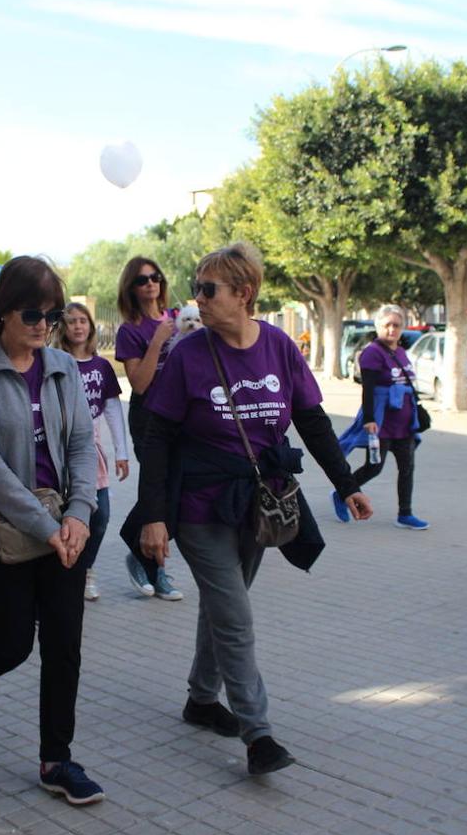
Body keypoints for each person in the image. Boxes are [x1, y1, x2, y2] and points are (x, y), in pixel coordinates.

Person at [134, 243, 374, 776]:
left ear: (243, 294)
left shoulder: (280, 347)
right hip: (199, 507)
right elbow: (157, 439)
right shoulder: (188, 355)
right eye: (196, 287)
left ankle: (201, 699)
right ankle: (258, 733)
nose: (196, 298)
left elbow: (312, 421)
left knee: (225, 606)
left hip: (259, 504)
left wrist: (347, 484)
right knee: (236, 617)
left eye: (208, 289)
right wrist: (153, 516)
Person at [0, 256, 103, 806]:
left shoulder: (63, 366)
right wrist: (46, 526)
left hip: (66, 529)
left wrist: (79, 514)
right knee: (12, 642)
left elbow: (84, 445)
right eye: (33, 313)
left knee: (64, 646)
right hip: (4, 533)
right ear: (2, 313)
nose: (44, 325)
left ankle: (56, 759)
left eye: (54, 314)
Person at [114, 256, 182, 600]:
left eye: (155, 277)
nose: (151, 283)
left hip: (181, 415)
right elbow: (138, 384)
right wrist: (157, 340)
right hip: (149, 416)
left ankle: (141, 552)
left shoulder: (177, 318)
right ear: (131, 288)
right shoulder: (131, 330)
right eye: (142, 280)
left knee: (176, 488)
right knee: (160, 487)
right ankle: (157, 569)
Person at [56, 302, 130, 601]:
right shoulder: (55, 362)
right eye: (71, 321)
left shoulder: (101, 367)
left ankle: (86, 569)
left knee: (101, 516)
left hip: (94, 453)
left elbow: (112, 410)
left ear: (90, 326)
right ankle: (65, 573)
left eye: (82, 321)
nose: (77, 326)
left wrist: (122, 452)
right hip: (60, 453)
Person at [334, 304, 428, 530]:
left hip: (404, 424)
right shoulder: (372, 353)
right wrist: (369, 419)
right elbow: (367, 389)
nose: (392, 329)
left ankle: (405, 514)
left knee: (407, 468)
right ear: (378, 327)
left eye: (396, 325)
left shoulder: (401, 352)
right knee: (374, 467)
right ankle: (342, 494)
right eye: (387, 325)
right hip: (381, 423)